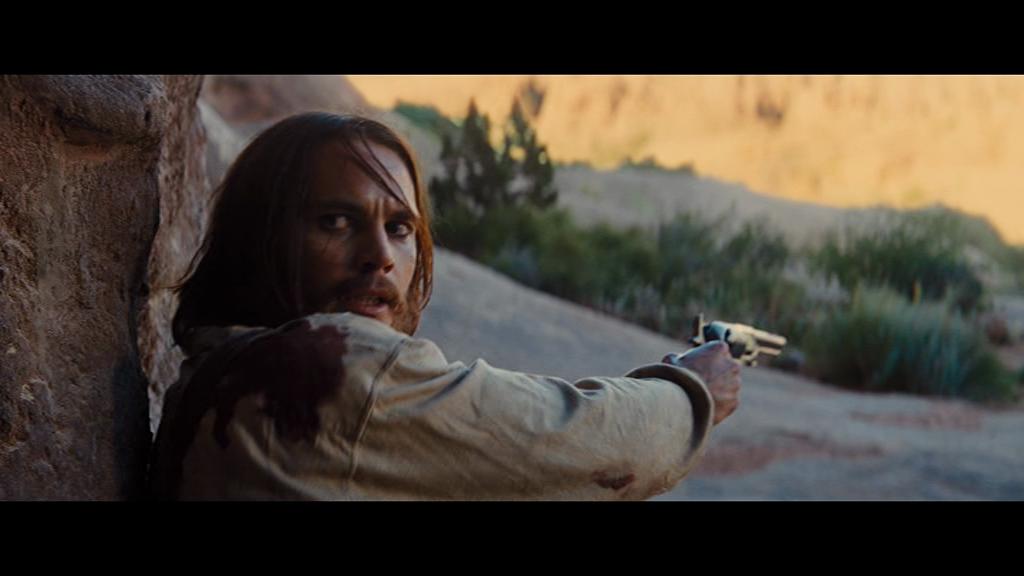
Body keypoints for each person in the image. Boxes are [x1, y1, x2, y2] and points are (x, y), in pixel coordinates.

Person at [148, 111, 741, 500]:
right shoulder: (334, 367)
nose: (380, 257)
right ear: (261, 236)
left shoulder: (216, 371)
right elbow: (571, 438)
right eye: (335, 221)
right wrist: (693, 388)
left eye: (400, 228)